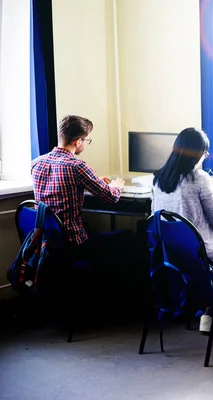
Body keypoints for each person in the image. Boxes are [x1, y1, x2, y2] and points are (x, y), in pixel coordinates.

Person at [31, 114, 151, 311]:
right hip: (74, 244)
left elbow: (57, 190)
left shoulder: (37, 163)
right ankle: (136, 302)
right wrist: (116, 185)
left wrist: (93, 181)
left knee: (99, 232)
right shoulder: (77, 166)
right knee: (129, 238)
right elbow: (112, 197)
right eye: (87, 140)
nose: (86, 143)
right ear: (78, 142)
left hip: (47, 242)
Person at [152, 127, 213, 339]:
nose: (205, 157)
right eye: (205, 153)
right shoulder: (199, 178)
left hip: (171, 259)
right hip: (200, 258)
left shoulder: (158, 178)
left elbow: (154, 217)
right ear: (198, 154)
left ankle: (208, 315)